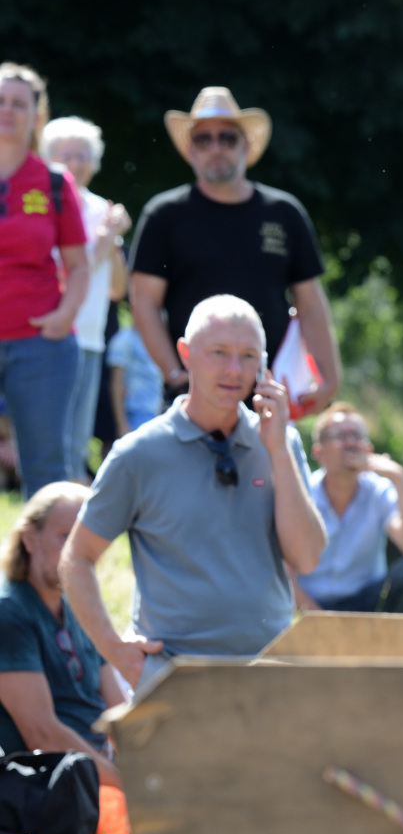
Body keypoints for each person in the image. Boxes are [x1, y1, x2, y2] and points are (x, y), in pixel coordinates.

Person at [61, 295, 327, 686]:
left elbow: (306, 558)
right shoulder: (139, 454)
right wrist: (116, 651)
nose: (234, 370)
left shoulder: (279, 443)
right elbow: (76, 558)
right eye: (218, 353)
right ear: (185, 354)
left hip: (266, 673)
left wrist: (276, 451)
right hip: (172, 679)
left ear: (264, 365)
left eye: (248, 356)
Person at [126, 87, 340, 410]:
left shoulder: (283, 212)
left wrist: (330, 378)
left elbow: (310, 303)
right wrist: (175, 373)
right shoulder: (164, 215)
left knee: (276, 462)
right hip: (192, 395)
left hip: (267, 391)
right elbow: (143, 304)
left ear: (246, 145)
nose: (216, 148)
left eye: (227, 138)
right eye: (203, 139)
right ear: (190, 150)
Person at [0, 63, 89, 497]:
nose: (8, 110)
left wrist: (65, 315)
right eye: (1, 100)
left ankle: (43, 567)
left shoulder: (54, 182)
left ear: (37, 115)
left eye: (19, 103)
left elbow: (78, 265)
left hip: (40, 346)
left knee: (45, 471)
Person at [0, 482, 126, 768]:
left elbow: (121, 714)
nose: (76, 553)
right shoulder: (9, 613)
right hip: (48, 785)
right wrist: (127, 787)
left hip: (93, 770)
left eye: (85, 541)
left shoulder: (79, 607)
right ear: (30, 539)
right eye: (65, 537)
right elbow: (42, 736)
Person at [40, 116, 131, 481]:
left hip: (92, 336)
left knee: (78, 440)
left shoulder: (102, 210)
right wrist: (106, 239)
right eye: (66, 155)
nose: (76, 163)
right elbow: (67, 271)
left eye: (83, 155)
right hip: (55, 334)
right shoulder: (42, 203)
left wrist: (113, 243)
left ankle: (70, 518)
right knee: (52, 436)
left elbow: (118, 289)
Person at [295, 402, 403, 614]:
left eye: (356, 436)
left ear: (368, 450)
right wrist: (322, 623)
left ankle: (396, 644)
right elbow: (283, 576)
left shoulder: (379, 490)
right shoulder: (300, 494)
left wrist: (398, 477)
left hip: (368, 605)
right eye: (340, 436)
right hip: (310, 608)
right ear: (318, 452)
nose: (350, 443)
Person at [106, 318, 164, 436]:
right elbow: (116, 385)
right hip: (134, 415)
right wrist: (122, 424)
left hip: (155, 415)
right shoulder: (125, 339)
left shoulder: (158, 339)